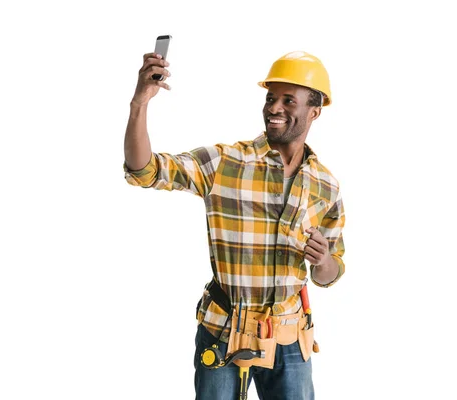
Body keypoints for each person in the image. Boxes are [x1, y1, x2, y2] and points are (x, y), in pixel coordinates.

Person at [122, 50, 346, 400]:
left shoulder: (326, 186)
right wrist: (140, 104)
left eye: (289, 100)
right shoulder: (225, 162)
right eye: (271, 98)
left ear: (314, 111)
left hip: (289, 337)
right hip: (224, 330)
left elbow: (329, 275)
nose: (274, 108)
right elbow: (145, 170)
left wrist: (324, 260)